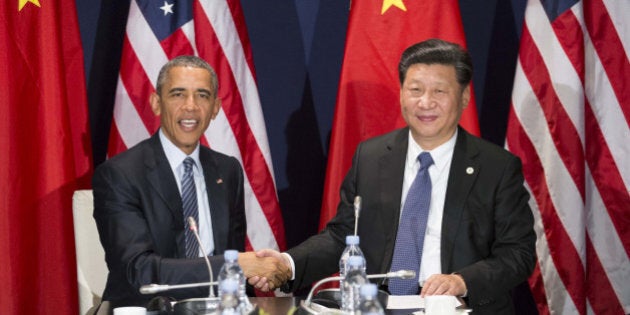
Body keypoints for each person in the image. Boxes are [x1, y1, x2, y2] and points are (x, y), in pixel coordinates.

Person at [251, 39, 536, 314]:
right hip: (378, 305)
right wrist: (288, 264)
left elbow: (518, 254)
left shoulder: (496, 167)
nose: (426, 102)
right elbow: (342, 236)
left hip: (458, 306)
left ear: (464, 97)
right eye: (415, 90)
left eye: (439, 91)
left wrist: (461, 281)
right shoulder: (372, 157)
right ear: (401, 93)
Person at [93, 55, 290, 307]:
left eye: (202, 95)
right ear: (156, 103)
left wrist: (260, 273)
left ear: (216, 108)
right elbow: (139, 271)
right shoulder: (119, 174)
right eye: (177, 94)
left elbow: (233, 265)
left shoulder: (227, 170)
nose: (191, 106)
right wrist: (236, 265)